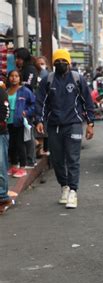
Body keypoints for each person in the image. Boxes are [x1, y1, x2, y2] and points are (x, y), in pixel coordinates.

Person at [35, 49, 95, 209]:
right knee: (57, 160)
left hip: (74, 124)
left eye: (63, 61)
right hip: (54, 126)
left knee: (73, 158)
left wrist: (90, 123)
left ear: (68, 63)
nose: (60, 64)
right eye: (57, 61)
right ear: (53, 64)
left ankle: (73, 191)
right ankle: (64, 187)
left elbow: (87, 102)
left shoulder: (77, 79)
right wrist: (39, 120)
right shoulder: (47, 80)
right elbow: (40, 102)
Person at [6, 70, 36, 178]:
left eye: (16, 76)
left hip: (20, 121)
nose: (14, 78)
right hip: (7, 121)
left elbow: (34, 104)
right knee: (11, 145)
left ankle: (22, 168)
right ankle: (14, 166)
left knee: (20, 144)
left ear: (20, 78)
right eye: (11, 76)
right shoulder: (6, 91)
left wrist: (26, 112)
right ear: (8, 78)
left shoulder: (25, 91)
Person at [0, 86, 13, 214]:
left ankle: (3, 197)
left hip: (1, 134)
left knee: (1, 166)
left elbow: (5, 113)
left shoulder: (1, 91)